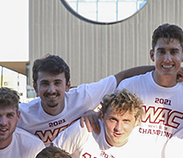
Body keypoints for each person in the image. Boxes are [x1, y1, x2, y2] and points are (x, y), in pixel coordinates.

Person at [18, 54, 152, 145]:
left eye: (57, 83)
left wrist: (161, 71)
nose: (51, 90)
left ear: (68, 86)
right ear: (36, 87)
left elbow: (121, 77)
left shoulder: (84, 96)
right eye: (45, 83)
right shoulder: (22, 114)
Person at [116, 23, 183, 147]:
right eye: (161, 52)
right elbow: (108, 119)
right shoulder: (130, 86)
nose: (167, 59)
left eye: (173, 52)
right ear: (152, 55)